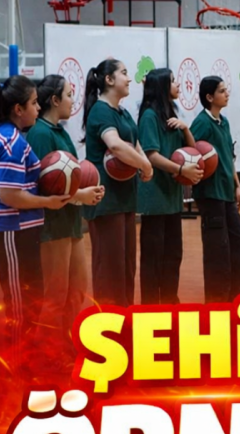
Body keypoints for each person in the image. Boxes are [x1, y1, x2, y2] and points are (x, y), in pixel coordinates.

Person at [0, 75, 69, 363]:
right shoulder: (13, 143)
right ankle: (15, 366)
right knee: (20, 304)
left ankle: (23, 360)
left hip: (13, 232)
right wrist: (48, 202)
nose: (38, 108)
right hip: (10, 232)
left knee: (31, 297)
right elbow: (11, 196)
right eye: (34, 103)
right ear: (18, 109)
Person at [25, 75, 105, 338]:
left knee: (78, 290)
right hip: (52, 226)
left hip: (71, 222)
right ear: (55, 100)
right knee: (55, 295)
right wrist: (80, 194)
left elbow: (71, 179)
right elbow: (44, 187)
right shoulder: (39, 133)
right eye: (69, 95)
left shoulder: (60, 131)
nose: (73, 100)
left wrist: (88, 190)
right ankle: (44, 352)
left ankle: (66, 344)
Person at [82, 59, 154, 307]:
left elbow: (134, 143)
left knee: (125, 269)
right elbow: (115, 145)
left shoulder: (123, 112)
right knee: (109, 271)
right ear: (109, 80)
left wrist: (145, 163)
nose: (129, 78)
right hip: (106, 201)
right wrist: (144, 165)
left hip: (124, 198)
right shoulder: (101, 111)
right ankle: (107, 325)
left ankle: (125, 321)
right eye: (124, 73)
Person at [137, 68, 202, 305]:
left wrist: (185, 128)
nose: (178, 85)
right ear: (163, 86)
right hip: (155, 198)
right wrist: (181, 170)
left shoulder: (172, 116)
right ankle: (151, 308)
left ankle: (169, 302)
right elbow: (151, 155)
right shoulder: (149, 117)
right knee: (153, 258)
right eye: (173, 81)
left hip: (172, 199)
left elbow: (192, 149)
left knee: (173, 255)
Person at [191, 76, 240, 304]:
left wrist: (237, 185)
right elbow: (189, 151)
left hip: (226, 193)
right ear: (209, 97)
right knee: (218, 252)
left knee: (239, 246)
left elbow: (228, 157)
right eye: (222, 91)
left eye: (226, 90)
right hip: (210, 195)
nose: (227, 94)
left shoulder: (223, 122)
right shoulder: (202, 123)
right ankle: (217, 304)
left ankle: (236, 300)